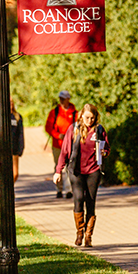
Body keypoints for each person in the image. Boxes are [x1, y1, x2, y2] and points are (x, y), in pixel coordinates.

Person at [54, 104, 109, 247]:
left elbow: (106, 148)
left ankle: (88, 236)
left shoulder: (99, 130)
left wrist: (104, 152)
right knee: (78, 199)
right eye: (87, 118)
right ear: (81, 116)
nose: (89, 121)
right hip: (76, 172)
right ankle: (79, 232)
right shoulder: (74, 129)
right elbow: (65, 151)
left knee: (90, 202)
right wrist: (58, 171)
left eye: (92, 118)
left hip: (93, 171)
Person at [45, 90, 77, 199]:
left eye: (63, 99)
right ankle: (58, 189)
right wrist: (58, 135)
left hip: (70, 145)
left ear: (68, 99)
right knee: (58, 166)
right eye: (60, 99)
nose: (62, 101)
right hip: (57, 144)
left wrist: (71, 136)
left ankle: (68, 190)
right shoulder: (55, 112)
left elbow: (78, 128)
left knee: (69, 166)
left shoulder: (74, 113)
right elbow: (48, 127)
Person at [0, 98, 24, 183]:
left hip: (14, 149)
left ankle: (10, 189)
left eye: (12, 102)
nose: (11, 104)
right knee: (5, 173)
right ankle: (8, 192)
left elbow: (20, 134)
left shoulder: (17, 117)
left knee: (15, 174)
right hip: (3, 149)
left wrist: (21, 148)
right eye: (9, 102)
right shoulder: (0, 117)